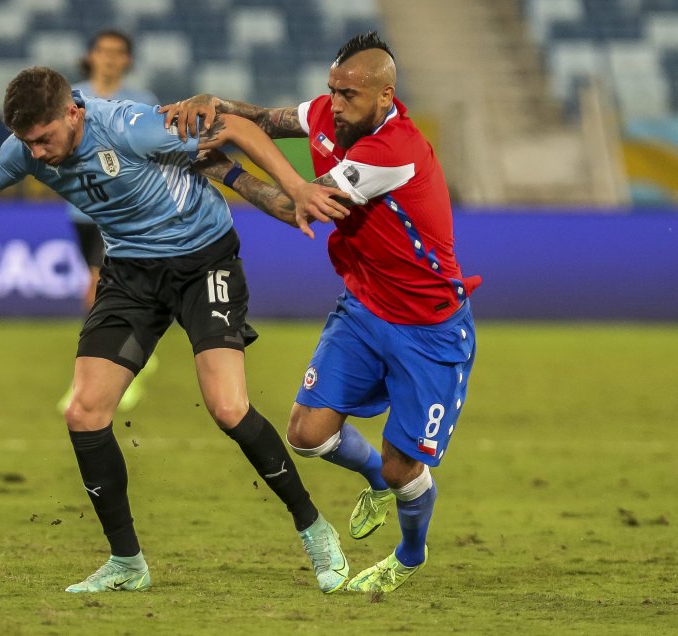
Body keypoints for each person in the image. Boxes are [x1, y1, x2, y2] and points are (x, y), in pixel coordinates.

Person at [0, 66, 355, 594]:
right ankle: (126, 562)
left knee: (228, 408)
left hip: (203, 261)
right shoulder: (25, 150)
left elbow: (234, 128)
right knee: (84, 412)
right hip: (131, 274)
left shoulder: (128, 125)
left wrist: (297, 186)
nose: (39, 153)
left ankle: (315, 530)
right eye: (27, 142)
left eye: (45, 138)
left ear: (73, 112)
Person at [163, 31, 482, 594]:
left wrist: (226, 171)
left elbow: (297, 207)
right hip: (363, 308)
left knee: (403, 466)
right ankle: (374, 483)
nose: (334, 104)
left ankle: (410, 555)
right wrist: (218, 103)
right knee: (307, 434)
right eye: (331, 91)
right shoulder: (328, 113)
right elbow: (267, 116)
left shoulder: (391, 152)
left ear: (385, 97)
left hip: (429, 328)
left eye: (349, 95)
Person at [58, 29, 160, 414]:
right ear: (91, 55)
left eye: (119, 52)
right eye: (104, 51)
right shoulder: (70, 97)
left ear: (127, 60)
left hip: (124, 211)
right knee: (106, 289)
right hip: (83, 210)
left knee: (96, 288)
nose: (111, 58)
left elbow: (154, 153)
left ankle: (96, 379)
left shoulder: (142, 101)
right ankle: (133, 359)